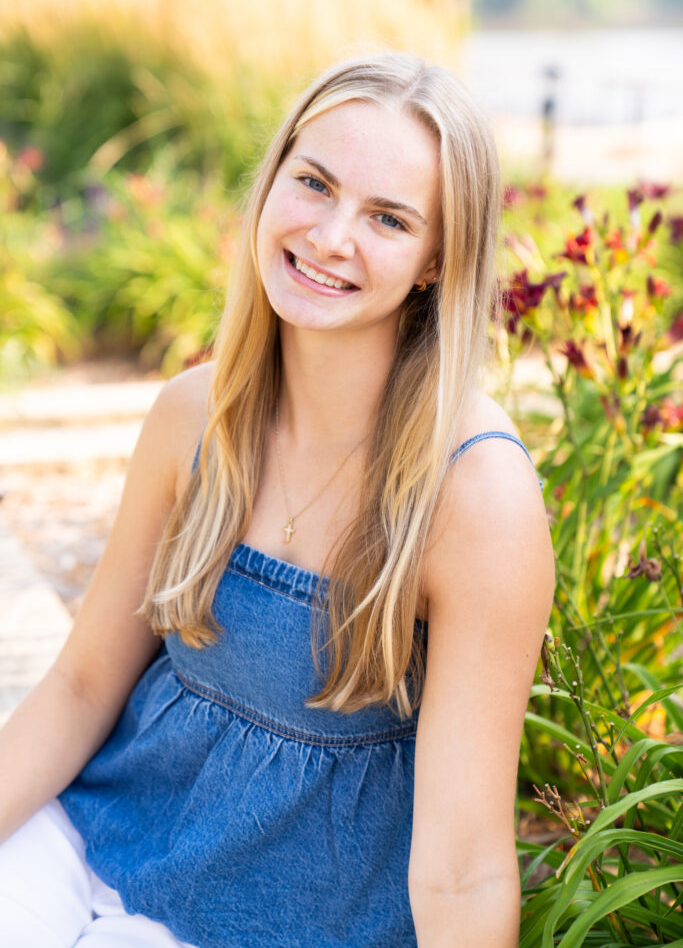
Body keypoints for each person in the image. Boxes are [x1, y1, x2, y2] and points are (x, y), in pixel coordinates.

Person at [0, 52, 555, 948]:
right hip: (92, 840)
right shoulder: (195, 414)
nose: (332, 235)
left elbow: (463, 865)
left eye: (387, 217)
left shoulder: (473, 494)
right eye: (314, 183)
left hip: (272, 921)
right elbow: (77, 684)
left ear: (432, 260)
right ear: (273, 183)